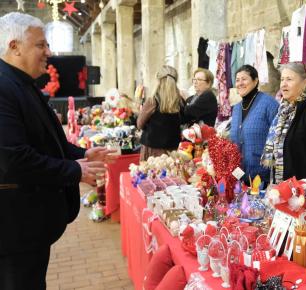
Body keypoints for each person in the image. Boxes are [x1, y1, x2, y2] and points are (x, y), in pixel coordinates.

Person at [0, 12, 115, 289]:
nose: (48, 52)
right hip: (15, 229)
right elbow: (12, 158)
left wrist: (81, 155)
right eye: (40, 45)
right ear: (14, 47)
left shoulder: (20, 84)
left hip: (28, 229)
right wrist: (74, 170)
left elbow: (46, 141)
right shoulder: (4, 87)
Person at [261, 62, 306, 189]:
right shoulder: (281, 114)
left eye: (289, 79)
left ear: (305, 83)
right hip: (282, 192)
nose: (283, 84)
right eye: (282, 79)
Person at [230, 65, 279, 184]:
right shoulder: (236, 108)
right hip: (239, 175)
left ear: (255, 81)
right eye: (237, 80)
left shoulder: (269, 104)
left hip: (263, 176)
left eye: (244, 79)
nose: (240, 83)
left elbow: (278, 138)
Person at [137, 65, 184, 161]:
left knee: (151, 175)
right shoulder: (180, 101)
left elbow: (140, 124)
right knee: (170, 175)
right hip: (172, 150)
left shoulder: (152, 101)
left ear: (158, 81)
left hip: (152, 149)